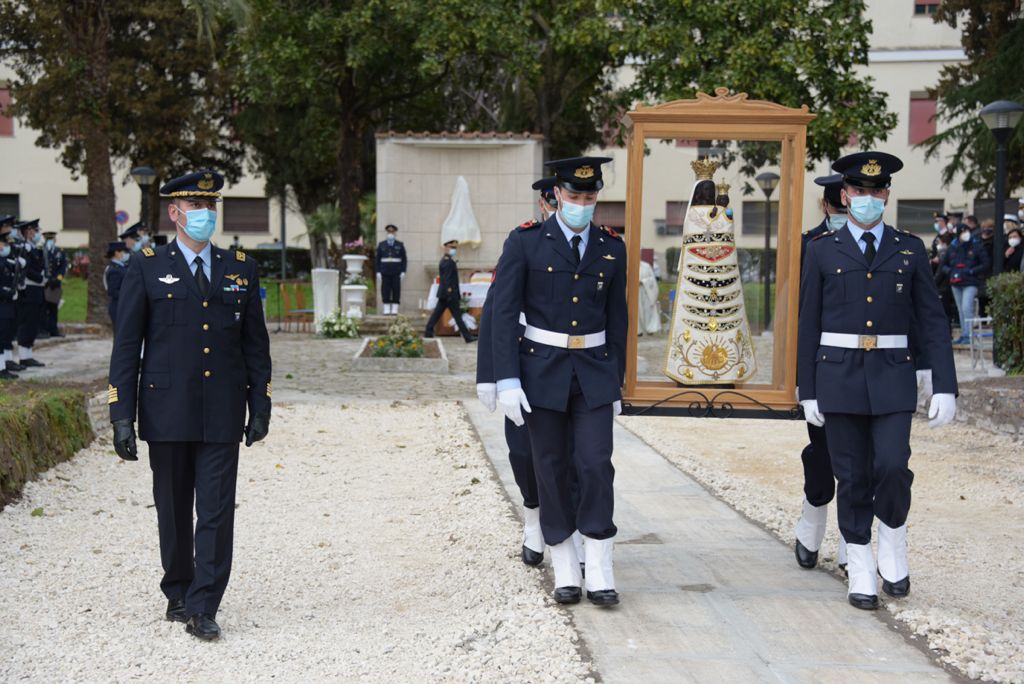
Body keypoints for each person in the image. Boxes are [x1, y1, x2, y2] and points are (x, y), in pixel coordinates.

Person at [107, 170, 272, 641]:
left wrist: (260, 403)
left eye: (210, 206)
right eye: (196, 207)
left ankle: (204, 604)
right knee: (174, 507)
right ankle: (178, 590)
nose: (206, 215)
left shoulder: (241, 267)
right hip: (166, 409)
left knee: (217, 510)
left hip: (222, 408)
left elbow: (254, 344)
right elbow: (126, 347)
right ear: (175, 213)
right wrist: (122, 414)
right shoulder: (145, 265)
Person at [798, 151, 957, 611]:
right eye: (859, 191)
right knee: (850, 474)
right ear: (844, 195)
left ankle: (892, 539)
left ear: (886, 193)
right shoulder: (822, 250)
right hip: (839, 376)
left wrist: (943, 383)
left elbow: (930, 319)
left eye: (876, 191)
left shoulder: (909, 248)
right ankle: (861, 563)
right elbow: (809, 323)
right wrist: (806, 389)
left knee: (891, 466)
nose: (868, 198)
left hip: (891, 374)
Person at [490, 156, 627, 607]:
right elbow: (504, 313)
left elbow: (617, 319)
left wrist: (618, 380)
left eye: (590, 198)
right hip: (541, 371)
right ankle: (565, 561)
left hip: (593, 372)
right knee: (548, 467)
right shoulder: (526, 242)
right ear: (557, 197)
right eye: (574, 197)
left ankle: (600, 561)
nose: (582, 206)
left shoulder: (611, 247)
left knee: (594, 464)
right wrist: (506, 378)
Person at [793, 174, 849, 571]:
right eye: (842, 208)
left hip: (865, 366)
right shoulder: (808, 244)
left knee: (861, 461)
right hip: (824, 362)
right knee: (823, 452)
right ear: (827, 206)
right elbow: (800, 310)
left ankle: (853, 542)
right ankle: (812, 518)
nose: (847, 214)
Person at [940, 221, 990, 344]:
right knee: (960, 309)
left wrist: (972, 271)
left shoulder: (976, 245)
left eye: (966, 231)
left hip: (970, 282)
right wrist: (951, 271)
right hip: (956, 282)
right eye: (962, 232)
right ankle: (964, 335)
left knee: (967, 307)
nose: (965, 234)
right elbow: (943, 264)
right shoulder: (953, 247)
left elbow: (985, 263)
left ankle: (969, 335)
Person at [424, 239, 476, 342]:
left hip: (445, 294)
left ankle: (428, 332)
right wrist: (450, 293)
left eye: (455, 248)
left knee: (438, 314)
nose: (454, 250)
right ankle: (467, 337)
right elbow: (447, 280)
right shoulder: (447, 262)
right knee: (457, 316)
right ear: (446, 248)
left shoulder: (447, 260)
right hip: (449, 295)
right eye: (452, 248)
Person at [13, 219, 45, 368]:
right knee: (27, 322)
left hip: (37, 288)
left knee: (33, 322)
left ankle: (28, 354)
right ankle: (24, 356)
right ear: (27, 231)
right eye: (34, 230)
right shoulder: (22, 248)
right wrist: (40, 278)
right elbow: (25, 270)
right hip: (29, 288)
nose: (36, 233)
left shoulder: (32, 247)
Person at [375, 224, 407, 316]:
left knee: (396, 289)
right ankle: (386, 307)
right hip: (385, 271)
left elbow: (404, 259)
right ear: (387, 233)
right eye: (389, 231)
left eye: (392, 232)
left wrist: (403, 271)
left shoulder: (400, 245)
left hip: (396, 271)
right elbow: (377, 259)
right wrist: (378, 271)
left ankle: (394, 308)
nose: (390, 233)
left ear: (395, 233)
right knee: (385, 289)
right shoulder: (382, 245)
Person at [40, 230, 67, 338]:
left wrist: (58, 278)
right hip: (44, 283)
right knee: (43, 308)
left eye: (52, 239)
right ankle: (44, 330)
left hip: (55, 284)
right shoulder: (41, 250)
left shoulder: (60, 251)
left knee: (53, 308)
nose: (50, 241)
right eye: (48, 239)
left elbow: (63, 266)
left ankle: (53, 330)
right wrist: (47, 278)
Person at [0, 231, 19, 380]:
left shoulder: (5, 261)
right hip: (2, 302)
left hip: (6, 304)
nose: (5, 246)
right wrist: (6, 292)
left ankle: (4, 365)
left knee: (6, 334)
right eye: (3, 243)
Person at [103, 241, 130, 328]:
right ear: (116, 253)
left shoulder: (121, 267)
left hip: (122, 306)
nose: (124, 254)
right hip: (118, 307)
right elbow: (113, 291)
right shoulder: (115, 270)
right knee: (120, 336)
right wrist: (129, 295)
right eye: (123, 251)